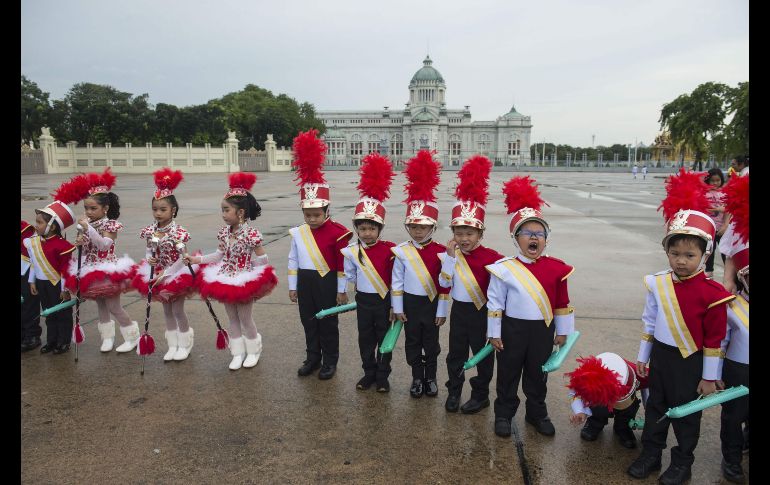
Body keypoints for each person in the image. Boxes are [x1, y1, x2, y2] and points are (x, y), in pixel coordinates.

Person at [627, 169, 735, 485]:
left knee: (686, 415)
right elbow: (649, 322)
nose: (681, 261)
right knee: (656, 407)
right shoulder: (658, 283)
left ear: (705, 254)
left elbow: (716, 338)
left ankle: (682, 462)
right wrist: (642, 357)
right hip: (660, 357)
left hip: (691, 362)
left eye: (689, 254)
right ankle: (651, 453)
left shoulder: (714, 294)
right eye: (675, 253)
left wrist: (710, 376)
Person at [486, 175, 576, 438]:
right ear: (516, 238)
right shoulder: (504, 269)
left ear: (546, 238)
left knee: (538, 375)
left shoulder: (558, 268)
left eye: (539, 233)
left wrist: (563, 333)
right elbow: (495, 303)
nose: (533, 238)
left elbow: (562, 303)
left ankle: (537, 413)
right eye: (527, 233)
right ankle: (503, 413)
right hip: (512, 330)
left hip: (542, 331)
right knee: (507, 374)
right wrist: (494, 332)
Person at [188, 172, 278, 370]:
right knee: (232, 318)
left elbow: (263, 259)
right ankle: (237, 352)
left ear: (241, 213)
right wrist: (197, 259)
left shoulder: (251, 234)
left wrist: (253, 271)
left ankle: (254, 349)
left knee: (245, 318)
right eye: (222, 210)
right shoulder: (224, 233)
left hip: (243, 280)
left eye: (226, 210)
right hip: (226, 279)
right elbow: (219, 256)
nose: (223, 214)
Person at [438, 155, 503, 414]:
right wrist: (451, 260)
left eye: (469, 233)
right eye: (459, 233)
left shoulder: (494, 259)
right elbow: (444, 284)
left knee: (483, 357)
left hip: (482, 314)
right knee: (455, 354)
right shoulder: (449, 256)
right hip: (460, 312)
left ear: (480, 234)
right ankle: (454, 391)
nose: (463, 239)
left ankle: (480, 395)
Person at [287, 130, 352, 380]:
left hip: (327, 282)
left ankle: (330, 361)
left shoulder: (338, 233)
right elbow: (293, 260)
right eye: (308, 214)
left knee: (328, 324)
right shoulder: (299, 233)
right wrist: (293, 286)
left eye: (317, 214)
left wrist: (342, 289)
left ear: (327, 209)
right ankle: (312, 357)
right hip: (305, 281)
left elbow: (341, 264)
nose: (312, 219)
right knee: (308, 321)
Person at [392, 150, 450, 398]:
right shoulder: (402, 251)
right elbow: (396, 281)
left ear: (433, 227)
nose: (417, 231)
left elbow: (446, 285)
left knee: (432, 345)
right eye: (413, 226)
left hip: (432, 304)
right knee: (413, 343)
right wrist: (397, 307)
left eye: (423, 227)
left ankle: (432, 378)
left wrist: (441, 311)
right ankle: (417, 377)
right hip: (410, 305)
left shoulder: (441, 251)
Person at [62, 169, 139, 353]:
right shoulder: (87, 225)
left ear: (105, 209)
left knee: (113, 306)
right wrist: (80, 243)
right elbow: (85, 249)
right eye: (86, 208)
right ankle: (107, 337)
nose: (89, 211)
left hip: (107, 269)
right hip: (89, 269)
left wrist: (88, 230)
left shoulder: (109, 224)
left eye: (93, 208)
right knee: (101, 305)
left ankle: (132, 335)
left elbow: (104, 245)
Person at [339, 152, 396, 392]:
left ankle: (383, 376)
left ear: (380, 228)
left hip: (384, 301)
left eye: (372, 228)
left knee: (385, 340)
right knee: (365, 340)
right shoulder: (351, 251)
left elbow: (396, 279)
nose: (367, 233)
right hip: (363, 301)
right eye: (362, 228)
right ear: (357, 230)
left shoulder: (392, 250)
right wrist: (342, 292)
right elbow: (347, 274)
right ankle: (368, 373)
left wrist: (396, 304)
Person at [132, 168, 199, 362]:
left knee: (177, 310)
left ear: (173, 210)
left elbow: (183, 257)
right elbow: (148, 250)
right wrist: (149, 259)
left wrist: (167, 273)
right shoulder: (150, 231)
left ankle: (185, 341)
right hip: (158, 272)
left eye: (163, 209)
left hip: (176, 273)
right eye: (155, 209)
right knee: (166, 311)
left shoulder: (179, 232)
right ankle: (172, 344)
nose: (158, 213)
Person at [717, 172, 750, 481]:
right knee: (734, 413)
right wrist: (729, 280)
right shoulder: (734, 309)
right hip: (739, 366)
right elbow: (732, 252)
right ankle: (730, 459)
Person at [25, 191, 78, 354]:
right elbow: (33, 263)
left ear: (52, 226)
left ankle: (64, 341)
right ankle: (52, 340)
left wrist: (65, 289)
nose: (36, 225)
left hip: (57, 285)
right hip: (41, 283)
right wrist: (32, 281)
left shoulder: (62, 246)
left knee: (62, 314)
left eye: (39, 222)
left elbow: (66, 270)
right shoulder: (34, 243)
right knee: (49, 313)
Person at [566, 352, 649, 449]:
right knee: (596, 404)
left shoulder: (641, 374)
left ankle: (623, 427)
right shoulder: (587, 374)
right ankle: (595, 422)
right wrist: (580, 411)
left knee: (629, 407)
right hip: (599, 396)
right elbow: (574, 392)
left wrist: (650, 411)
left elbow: (651, 386)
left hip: (628, 398)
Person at [21, 220, 42, 352]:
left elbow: (32, 254)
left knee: (28, 302)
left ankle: (32, 335)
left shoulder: (25, 229)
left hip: (25, 269)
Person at [703, 168, 727, 278]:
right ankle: (709, 271)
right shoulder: (704, 193)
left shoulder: (725, 193)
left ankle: (729, 272)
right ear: (708, 180)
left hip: (722, 228)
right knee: (709, 251)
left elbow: (730, 210)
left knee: (725, 251)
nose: (715, 183)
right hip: (709, 228)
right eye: (712, 180)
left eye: (718, 180)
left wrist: (725, 226)